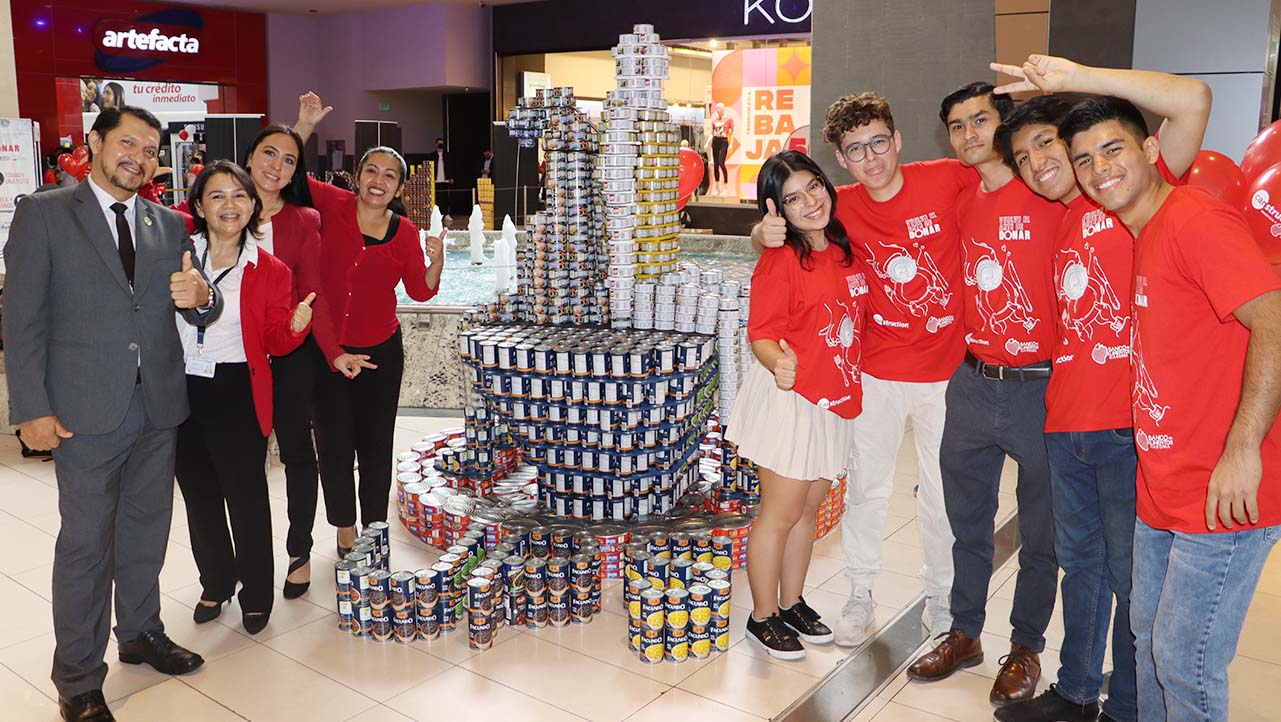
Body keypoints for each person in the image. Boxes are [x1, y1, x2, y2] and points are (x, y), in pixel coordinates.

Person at [989, 55, 1210, 722]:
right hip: (1065, 426)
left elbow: (1192, 98)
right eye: (1021, 157)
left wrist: (1075, 80)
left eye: (1044, 144)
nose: (1035, 163)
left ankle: (1128, 708)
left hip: (1126, 430)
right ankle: (1077, 692)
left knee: (1129, 579)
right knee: (1078, 570)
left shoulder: (1126, 194)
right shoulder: (1058, 218)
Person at [1061, 96, 1281, 722]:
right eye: (1085, 160)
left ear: (1151, 151)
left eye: (1113, 149)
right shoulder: (1147, 232)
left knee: (1187, 664)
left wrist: (1241, 450)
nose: (1100, 169)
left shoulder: (1195, 220)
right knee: (1151, 648)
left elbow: (1274, 321)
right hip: (1164, 489)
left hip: (1223, 495)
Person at [3, 105, 221, 722]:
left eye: (150, 149)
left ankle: (140, 632)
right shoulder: (44, 214)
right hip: (82, 413)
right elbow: (22, 322)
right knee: (85, 547)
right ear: (95, 143)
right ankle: (77, 678)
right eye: (128, 142)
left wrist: (203, 297)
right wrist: (31, 409)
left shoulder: (168, 224)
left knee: (146, 533)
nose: (140, 157)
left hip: (157, 407)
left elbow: (200, 304)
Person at [753, 92, 977, 646]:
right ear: (841, 161)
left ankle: (941, 596)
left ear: (897, 140)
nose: (871, 158)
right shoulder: (838, 208)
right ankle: (859, 592)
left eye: (879, 142)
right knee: (867, 491)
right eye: (855, 150)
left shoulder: (948, 178)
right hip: (871, 374)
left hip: (946, 374)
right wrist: (761, 234)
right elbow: (775, 239)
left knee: (941, 495)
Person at [906, 82, 1065, 707]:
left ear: (1005, 124)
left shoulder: (1052, 189)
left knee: (1042, 531)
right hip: (972, 382)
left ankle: (1025, 647)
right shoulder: (960, 192)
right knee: (965, 522)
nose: (970, 134)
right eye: (957, 125)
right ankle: (965, 632)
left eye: (980, 120)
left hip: (1043, 387)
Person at [170, 125, 329, 598]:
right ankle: (215, 582)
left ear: (252, 207)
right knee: (198, 497)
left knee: (245, 496)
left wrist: (297, 325)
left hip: (238, 388)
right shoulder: (176, 254)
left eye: (239, 196)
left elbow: (276, 343)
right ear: (198, 206)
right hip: (180, 389)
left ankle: (256, 590)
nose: (229, 205)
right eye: (217, 195)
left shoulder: (270, 269)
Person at [293, 91, 446, 556]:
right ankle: (344, 528)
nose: (380, 181)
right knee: (334, 444)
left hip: (381, 352)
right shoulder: (330, 205)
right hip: (329, 351)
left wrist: (438, 263)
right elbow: (288, 170)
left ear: (399, 187)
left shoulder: (407, 233)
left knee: (376, 445)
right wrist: (304, 125)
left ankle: (375, 526)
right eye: (373, 171)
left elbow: (420, 291)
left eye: (391, 175)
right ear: (357, 177)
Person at [730, 150, 868, 661]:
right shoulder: (780, 259)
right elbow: (761, 334)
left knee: (810, 510)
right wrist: (777, 363)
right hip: (790, 399)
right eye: (792, 198)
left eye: (814, 187)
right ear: (776, 210)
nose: (809, 201)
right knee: (780, 513)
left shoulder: (840, 245)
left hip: (834, 397)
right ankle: (761, 616)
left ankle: (792, 603)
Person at [707, 102, 733, 197]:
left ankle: (726, 186)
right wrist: (708, 142)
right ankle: (717, 188)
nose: (719, 110)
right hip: (715, 140)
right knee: (716, 164)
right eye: (717, 108)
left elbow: (732, 133)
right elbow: (711, 133)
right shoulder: (714, 120)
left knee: (722, 162)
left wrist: (731, 144)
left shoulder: (729, 119)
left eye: (720, 108)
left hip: (724, 141)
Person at [429, 136, 453, 216]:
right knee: (436, 198)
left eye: (441, 143)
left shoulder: (447, 155)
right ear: (436, 144)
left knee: (445, 198)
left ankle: (446, 214)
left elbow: (451, 166)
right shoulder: (432, 155)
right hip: (435, 180)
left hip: (445, 180)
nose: (440, 145)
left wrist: (450, 177)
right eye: (439, 143)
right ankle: (437, 215)